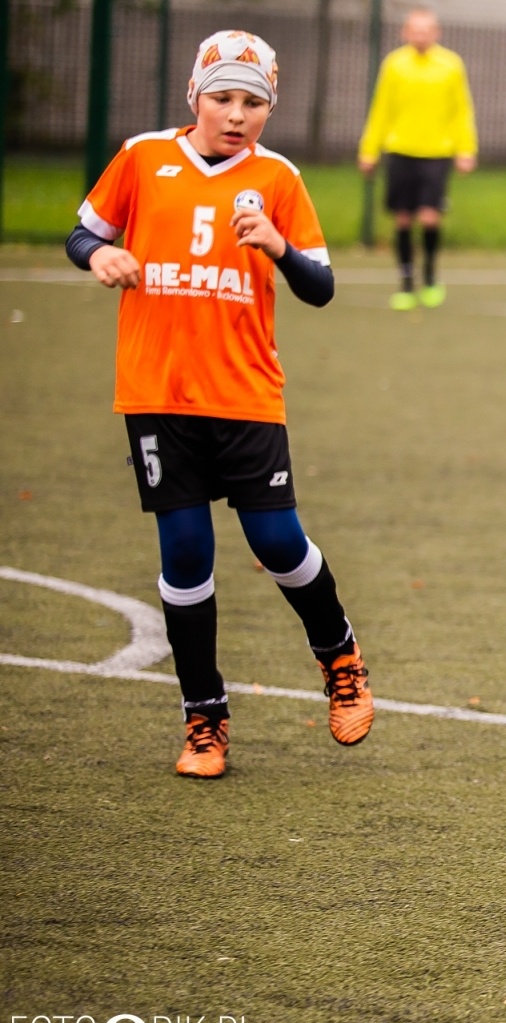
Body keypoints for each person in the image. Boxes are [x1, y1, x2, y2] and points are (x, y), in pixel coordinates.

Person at [66, 30, 375, 778]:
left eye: (253, 102)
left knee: (277, 543)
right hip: (156, 391)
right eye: (223, 97)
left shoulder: (276, 178)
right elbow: (83, 233)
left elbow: (321, 287)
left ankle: (340, 656)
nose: (236, 114)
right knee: (185, 553)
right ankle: (204, 719)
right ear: (194, 97)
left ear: (269, 108)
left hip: (244, 392)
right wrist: (100, 254)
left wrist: (276, 245)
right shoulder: (143, 157)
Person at [358, 7, 478, 311]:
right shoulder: (394, 65)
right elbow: (381, 109)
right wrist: (369, 150)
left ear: (436, 33)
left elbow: (461, 110)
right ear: (405, 32)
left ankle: (430, 276)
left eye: (427, 29)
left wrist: (466, 149)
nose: (421, 34)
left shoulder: (451, 65)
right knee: (402, 217)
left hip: (437, 153)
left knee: (429, 216)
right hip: (400, 151)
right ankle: (407, 283)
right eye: (415, 29)